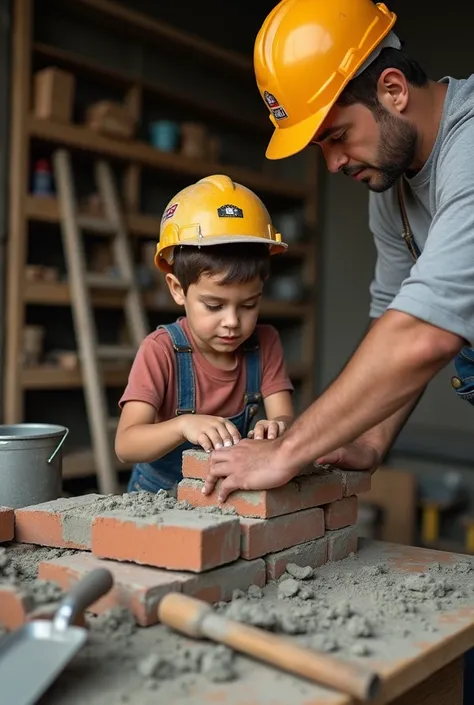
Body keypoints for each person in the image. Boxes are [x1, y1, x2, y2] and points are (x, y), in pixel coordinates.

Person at [203, 0, 474, 502]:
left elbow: (423, 334)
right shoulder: (391, 185)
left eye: (338, 136)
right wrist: (368, 441)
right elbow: (397, 315)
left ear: (392, 90)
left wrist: (287, 452)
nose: (332, 165)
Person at [115, 174, 294, 493]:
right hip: (157, 498)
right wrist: (183, 425)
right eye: (214, 306)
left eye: (249, 305)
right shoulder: (161, 350)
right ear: (177, 289)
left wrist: (276, 426)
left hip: (221, 495)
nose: (232, 322)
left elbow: (286, 420)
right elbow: (126, 444)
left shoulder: (265, 343)